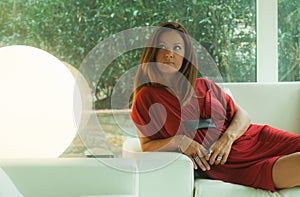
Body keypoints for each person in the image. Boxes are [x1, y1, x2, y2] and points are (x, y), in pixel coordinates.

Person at [130, 21, 300, 192]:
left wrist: (228, 138)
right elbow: (147, 146)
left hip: (257, 139)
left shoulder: (205, 85)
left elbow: (243, 115)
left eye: (177, 48)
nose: (169, 53)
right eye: (162, 46)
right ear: (152, 51)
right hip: (231, 165)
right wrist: (179, 141)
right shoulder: (147, 96)